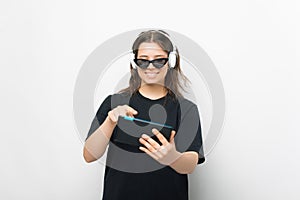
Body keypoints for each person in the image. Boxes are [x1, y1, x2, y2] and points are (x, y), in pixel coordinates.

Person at [83, 29, 205, 200]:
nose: (150, 67)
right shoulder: (115, 102)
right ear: (134, 63)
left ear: (169, 62)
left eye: (158, 61)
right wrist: (110, 122)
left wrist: (172, 157)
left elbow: (191, 163)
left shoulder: (185, 109)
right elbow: (89, 155)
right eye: (143, 61)